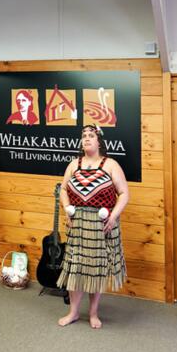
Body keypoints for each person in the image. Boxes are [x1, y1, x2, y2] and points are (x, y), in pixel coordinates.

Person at [56, 124, 129, 328]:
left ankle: (94, 313)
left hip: (101, 224)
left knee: (96, 269)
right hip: (78, 223)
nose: (87, 138)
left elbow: (124, 193)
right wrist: (67, 207)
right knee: (75, 267)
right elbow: (63, 189)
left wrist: (113, 216)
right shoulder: (74, 164)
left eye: (91, 135)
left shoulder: (110, 165)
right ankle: (73, 312)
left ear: (99, 141)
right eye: (84, 136)